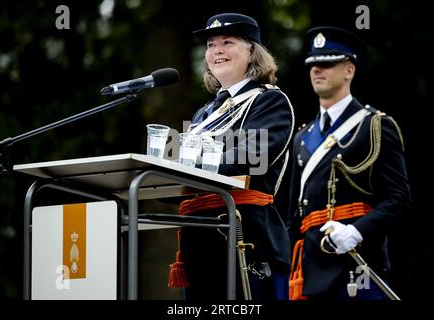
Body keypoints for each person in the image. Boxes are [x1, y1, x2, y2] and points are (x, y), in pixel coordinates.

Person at [168, 12, 295, 300]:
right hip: (198, 239)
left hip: (245, 236)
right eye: (211, 45)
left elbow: (249, 157)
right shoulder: (203, 113)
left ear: (253, 53)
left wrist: (185, 164)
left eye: (227, 42)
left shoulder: (268, 100)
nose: (217, 51)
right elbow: (181, 163)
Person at [286, 26, 411, 300]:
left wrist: (356, 231)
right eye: (313, 64)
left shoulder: (374, 125)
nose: (317, 70)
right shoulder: (302, 138)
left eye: (327, 63)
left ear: (349, 70)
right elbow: (293, 216)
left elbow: (399, 199)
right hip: (310, 265)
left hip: (358, 263)